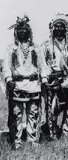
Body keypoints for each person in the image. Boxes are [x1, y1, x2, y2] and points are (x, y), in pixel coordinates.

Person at [4, 15, 49, 149]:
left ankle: (32, 140)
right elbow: (6, 66)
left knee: (33, 113)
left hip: (34, 85)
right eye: (19, 29)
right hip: (17, 86)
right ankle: (16, 141)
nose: (22, 32)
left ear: (29, 32)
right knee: (16, 114)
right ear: (16, 32)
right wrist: (8, 79)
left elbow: (43, 66)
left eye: (25, 29)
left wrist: (45, 80)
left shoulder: (36, 48)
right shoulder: (10, 48)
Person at [40, 13, 68, 139]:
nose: (58, 29)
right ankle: (52, 133)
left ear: (66, 29)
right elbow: (43, 63)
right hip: (53, 80)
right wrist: (46, 78)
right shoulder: (46, 45)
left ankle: (66, 132)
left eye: (61, 27)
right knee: (52, 108)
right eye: (56, 27)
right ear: (52, 29)